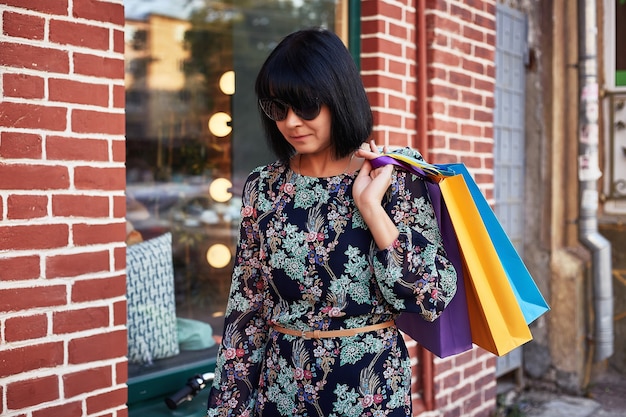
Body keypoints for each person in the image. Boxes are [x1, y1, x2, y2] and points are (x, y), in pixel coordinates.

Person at [207, 28, 457, 417]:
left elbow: (430, 296)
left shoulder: (392, 173)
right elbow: (247, 305)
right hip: (282, 391)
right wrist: (230, 407)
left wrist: (372, 208)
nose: (291, 122)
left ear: (338, 96)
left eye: (305, 106)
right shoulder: (264, 187)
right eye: (278, 108)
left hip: (369, 392)